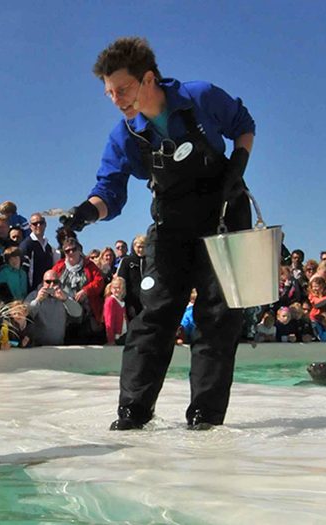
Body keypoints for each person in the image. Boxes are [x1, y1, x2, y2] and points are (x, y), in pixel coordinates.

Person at [59, 36, 255, 430]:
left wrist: (238, 165)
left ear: (148, 79)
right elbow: (109, 191)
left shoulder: (199, 97)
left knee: (218, 316)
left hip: (223, 212)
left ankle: (205, 416)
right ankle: (133, 412)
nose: (116, 99)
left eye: (123, 89)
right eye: (110, 93)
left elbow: (243, 125)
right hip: (172, 221)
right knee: (155, 313)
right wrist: (84, 213)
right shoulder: (124, 136)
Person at [51, 238, 105, 344]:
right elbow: (50, 281)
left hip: (87, 314)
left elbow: (99, 282)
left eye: (73, 249)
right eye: (67, 251)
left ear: (79, 250)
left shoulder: (89, 265)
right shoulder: (59, 266)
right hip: (66, 313)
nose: (71, 252)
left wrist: (86, 290)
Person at [25, 269, 82, 346]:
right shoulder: (33, 295)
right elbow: (26, 316)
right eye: (48, 282)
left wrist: (65, 300)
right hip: (37, 347)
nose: (51, 285)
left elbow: (77, 313)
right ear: (42, 282)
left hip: (58, 346)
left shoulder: (63, 295)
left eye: (55, 282)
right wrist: (38, 300)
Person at [19, 212, 57, 293]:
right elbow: (24, 272)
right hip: (32, 293)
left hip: (47, 291)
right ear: (30, 226)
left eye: (41, 223)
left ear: (45, 224)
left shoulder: (48, 247)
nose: (38, 226)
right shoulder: (26, 245)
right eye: (35, 224)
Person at [116, 234, 146, 319]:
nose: (141, 250)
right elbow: (120, 282)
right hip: (132, 303)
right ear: (133, 246)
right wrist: (127, 304)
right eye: (138, 247)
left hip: (149, 303)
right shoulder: (126, 261)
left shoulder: (150, 261)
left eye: (143, 247)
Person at [103, 276, 128, 345]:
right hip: (116, 337)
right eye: (114, 288)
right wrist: (111, 339)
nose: (116, 290)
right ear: (111, 288)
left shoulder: (121, 301)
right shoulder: (110, 301)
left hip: (124, 333)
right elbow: (109, 321)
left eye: (119, 288)